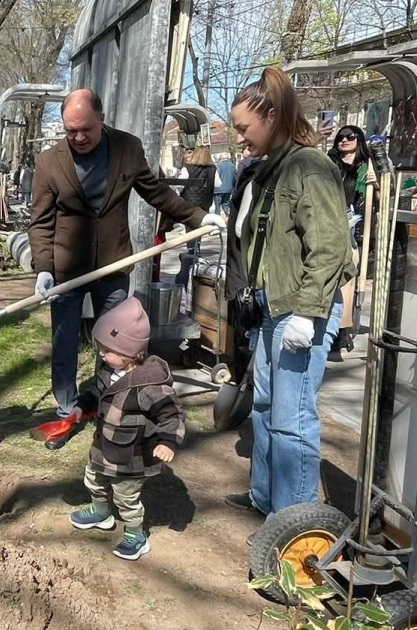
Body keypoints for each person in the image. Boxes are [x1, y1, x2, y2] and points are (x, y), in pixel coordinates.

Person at [28, 88, 226, 418]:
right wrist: (44, 268)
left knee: (117, 343)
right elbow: (40, 221)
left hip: (114, 262)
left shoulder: (126, 148)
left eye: (85, 129)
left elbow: (157, 193)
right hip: (67, 267)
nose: (78, 137)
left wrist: (197, 216)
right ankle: (66, 409)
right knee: (64, 343)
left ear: (102, 120)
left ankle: (108, 402)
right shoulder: (49, 162)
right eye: (70, 131)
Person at [223, 68, 354, 518]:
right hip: (269, 307)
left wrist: (309, 312)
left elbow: (331, 245)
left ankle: (293, 529)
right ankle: (266, 499)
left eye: (243, 128)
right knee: (263, 408)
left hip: (299, 311)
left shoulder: (309, 166)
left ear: (272, 116)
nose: (239, 138)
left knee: (292, 420)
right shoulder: (271, 170)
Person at [65, 298, 184, 561]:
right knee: (92, 479)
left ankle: (135, 534)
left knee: (126, 497)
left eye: (106, 350)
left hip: (132, 456)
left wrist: (167, 441)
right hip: (103, 446)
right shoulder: (109, 370)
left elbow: (171, 414)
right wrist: (81, 407)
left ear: (129, 353)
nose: (101, 354)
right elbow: (95, 392)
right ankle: (100, 513)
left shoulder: (148, 385)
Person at [327, 124, 377, 359]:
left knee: (350, 283)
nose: (344, 140)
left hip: (357, 232)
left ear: (359, 139)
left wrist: (376, 185)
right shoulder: (329, 164)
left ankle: (342, 332)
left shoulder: (368, 167)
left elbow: (383, 195)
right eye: (340, 137)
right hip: (330, 227)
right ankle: (331, 330)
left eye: (350, 137)